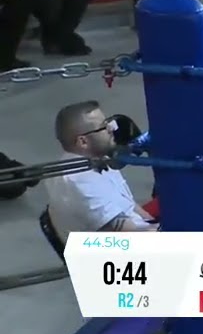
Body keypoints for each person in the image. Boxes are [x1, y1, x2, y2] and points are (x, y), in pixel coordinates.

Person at [45, 101, 157, 240]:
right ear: (83, 142)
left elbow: (129, 204)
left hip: (134, 229)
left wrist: (153, 221)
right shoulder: (81, 184)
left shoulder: (99, 157)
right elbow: (128, 233)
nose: (112, 128)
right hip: (116, 246)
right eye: (104, 126)